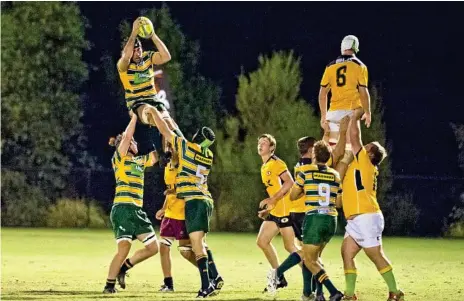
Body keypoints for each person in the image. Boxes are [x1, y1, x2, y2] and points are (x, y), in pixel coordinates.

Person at [149, 108, 223, 298]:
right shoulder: (208, 155)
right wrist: (170, 119)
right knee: (198, 244)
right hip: (205, 200)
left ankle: (207, 286)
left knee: (196, 245)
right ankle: (212, 281)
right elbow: (179, 135)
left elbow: (167, 132)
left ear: (196, 138)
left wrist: (155, 113)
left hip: (195, 202)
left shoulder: (187, 148)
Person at [340, 110, 404, 301]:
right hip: (356, 219)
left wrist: (355, 117)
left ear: (369, 153)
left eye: (367, 146)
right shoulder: (361, 165)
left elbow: (354, 137)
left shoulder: (365, 162)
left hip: (366, 216)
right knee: (346, 252)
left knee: (375, 255)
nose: (363, 146)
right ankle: (350, 295)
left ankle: (396, 291)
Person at [103, 113, 159, 293]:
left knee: (153, 247)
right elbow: (127, 137)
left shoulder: (139, 161)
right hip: (123, 209)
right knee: (124, 248)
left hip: (137, 211)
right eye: (132, 141)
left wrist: (154, 127)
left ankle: (123, 269)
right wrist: (135, 117)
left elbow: (155, 157)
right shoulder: (119, 159)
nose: (134, 143)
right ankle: (109, 286)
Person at [117, 17, 183, 165]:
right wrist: (133, 33)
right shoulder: (123, 66)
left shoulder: (147, 58)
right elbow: (125, 57)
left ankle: (177, 150)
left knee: (169, 121)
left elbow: (166, 56)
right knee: (152, 111)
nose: (138, 51)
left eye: (139, 47)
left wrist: (152, 35)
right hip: (138, 104)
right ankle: (172, 143)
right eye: (135, 49)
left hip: (153, 99)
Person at [289, 140, 344, 301]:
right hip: (331, 219)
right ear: (328, 157)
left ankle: (333, 291)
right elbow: (339, 203)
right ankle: (317, 295)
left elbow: (292, 196)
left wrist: (304, 190)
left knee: (309, 260)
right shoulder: (335, 175)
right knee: (316, 259)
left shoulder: (305, 172)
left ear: (313, 155)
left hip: (315, 219)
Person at [257, 134, 299, 292]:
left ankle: (315, 277)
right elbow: (275, 189)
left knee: (291, 247)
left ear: (272, 148)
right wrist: (267, 209)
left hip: (284, 210)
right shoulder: (265, 166)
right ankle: (279, 278)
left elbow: (290, 182)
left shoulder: (276, 163)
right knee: (262, 241)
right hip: (276, 210)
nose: (260, 145)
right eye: (259, 143)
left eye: (265, 143)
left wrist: (273, 199)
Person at [155, 142, 198, 292]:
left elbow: (187, 188)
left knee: (186, 252)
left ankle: (209, 273)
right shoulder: (168, 167)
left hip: (182, 214)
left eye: (172, 147)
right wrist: (163, 208)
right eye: (167, 147)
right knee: (163, 247)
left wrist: (173, 192)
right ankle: (168, 283)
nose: (169, 150)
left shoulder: (184, 166)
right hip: (170, 214)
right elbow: (169, 190)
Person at [319, 35, 371, 149]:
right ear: (355, 48)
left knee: (329, 152)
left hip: (333, 113)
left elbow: (322, 94)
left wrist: (323, 116)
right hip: (350, 112)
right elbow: (363, 92)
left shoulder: (330, 66)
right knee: (349, 151)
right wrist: (367, 112)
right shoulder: (360, 66)